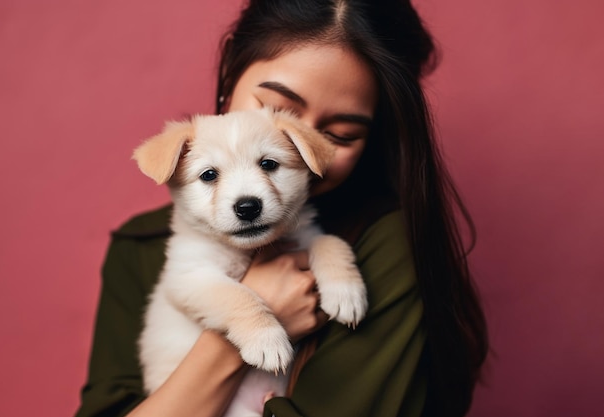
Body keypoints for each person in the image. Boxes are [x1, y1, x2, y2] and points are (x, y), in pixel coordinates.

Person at [74, 1, 489, 416]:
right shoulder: (139, 245)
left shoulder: (388, 243)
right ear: (232, 73)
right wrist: (252, 318)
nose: (306, 143)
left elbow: (314, 243)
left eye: (340, 134)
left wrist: (335, 265)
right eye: (280, 109)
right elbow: (190, 291)